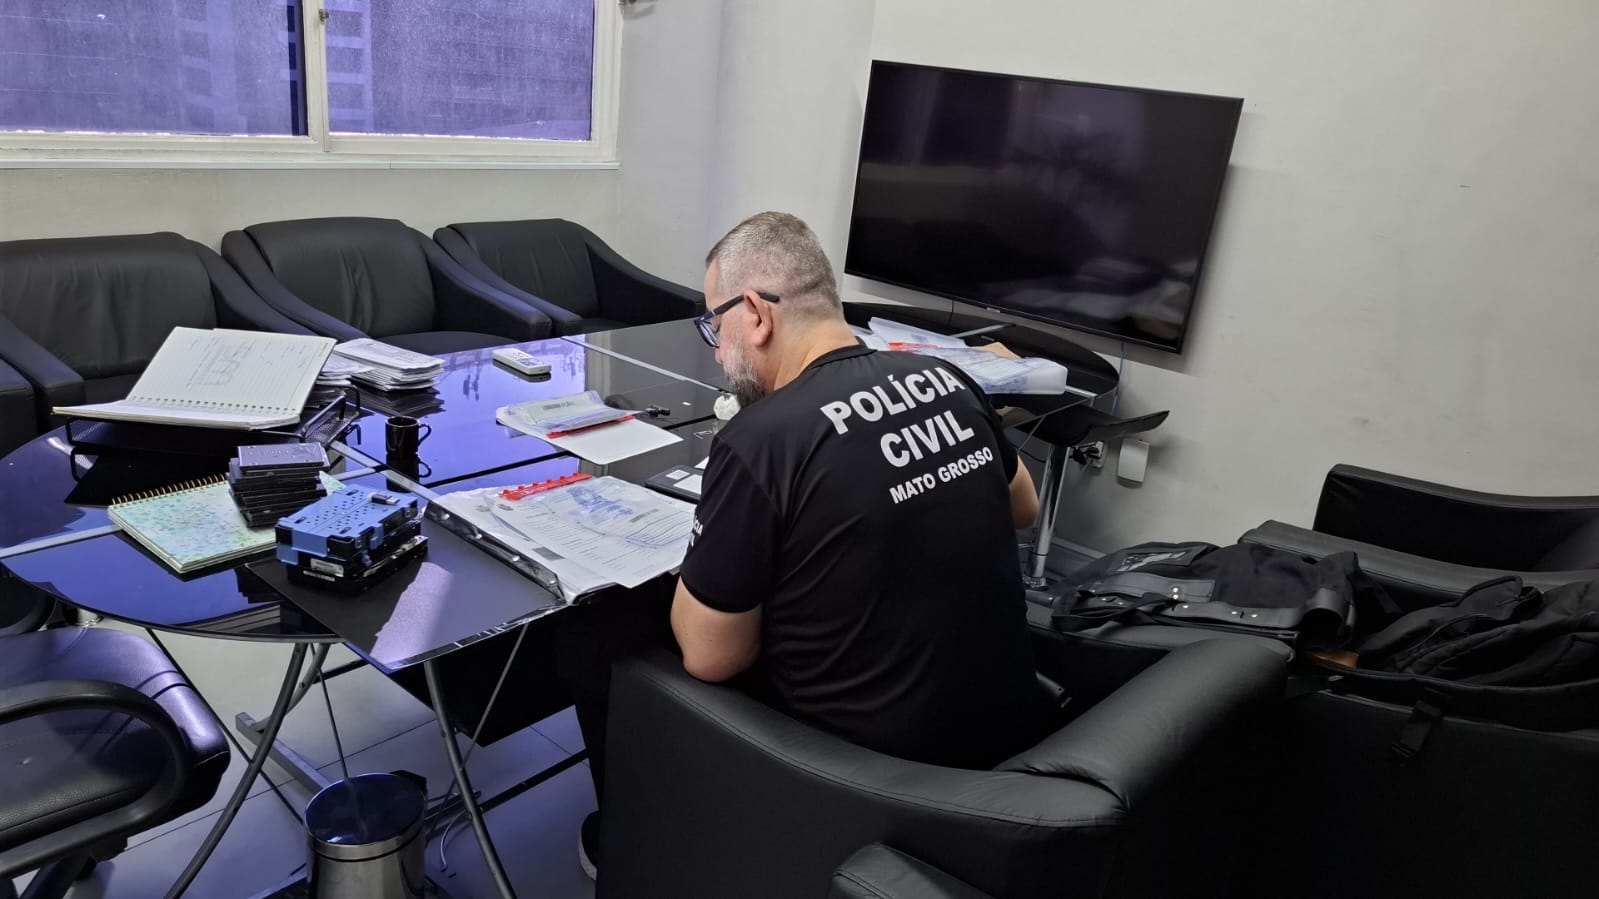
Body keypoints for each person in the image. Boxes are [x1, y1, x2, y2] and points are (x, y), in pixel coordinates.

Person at [575, 211, 1051, 878]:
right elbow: (1022, 507)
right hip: (998, 733)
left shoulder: (763, 439)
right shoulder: (947, 381)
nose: (717, 352)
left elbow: (712, 658)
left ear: (755, 314)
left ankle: (628, 837)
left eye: (714, 326)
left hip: (862, 775)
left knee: (601, 634)